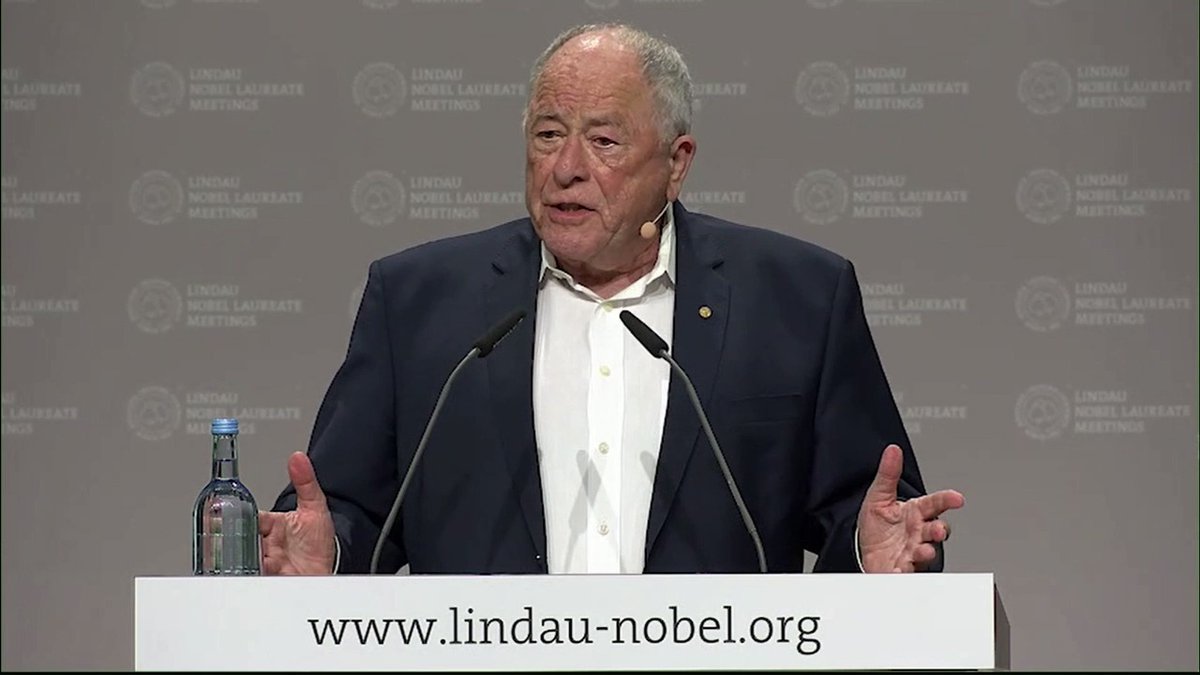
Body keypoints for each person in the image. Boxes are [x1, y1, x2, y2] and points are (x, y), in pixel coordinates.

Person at [261, 23, 963, 576]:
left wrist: (872, 550)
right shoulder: (418, 300)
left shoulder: (797, 297)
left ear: (676, 164)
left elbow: (864, 509)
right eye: (547, 135)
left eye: (603, 140)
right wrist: (327, 551)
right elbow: (346, 508)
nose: (566, 168)